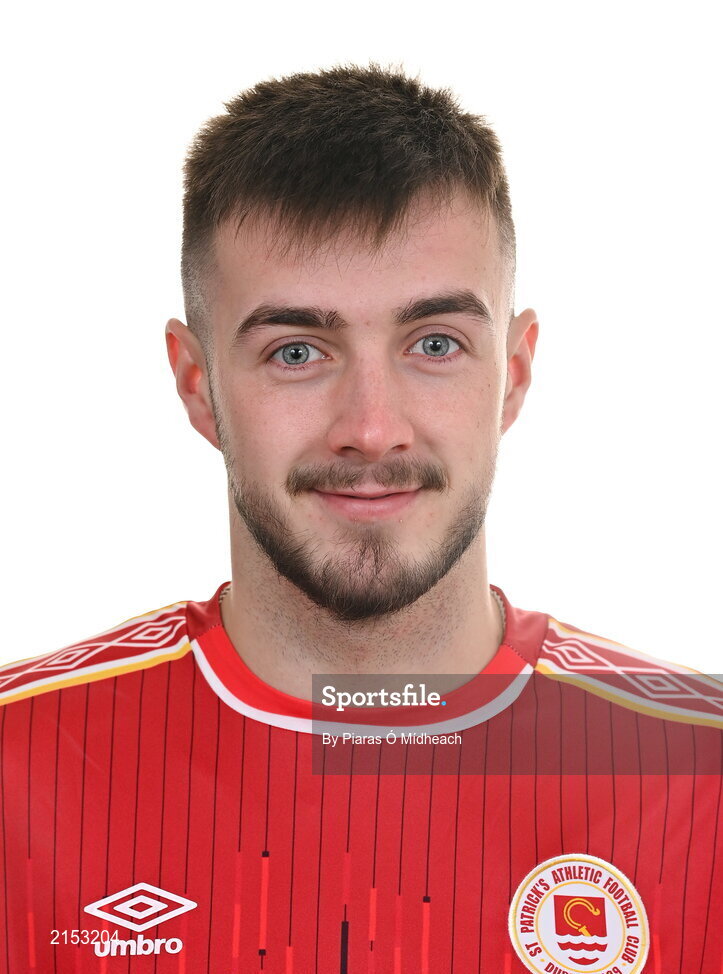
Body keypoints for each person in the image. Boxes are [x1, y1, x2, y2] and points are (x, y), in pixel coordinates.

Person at [0, 64, 721, 974]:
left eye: (434, 344)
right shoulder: (15, 772)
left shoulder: (703, 777)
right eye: (296, 352)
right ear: (197, 385)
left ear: (512, 372)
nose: (372, 429)